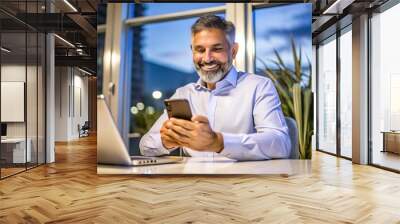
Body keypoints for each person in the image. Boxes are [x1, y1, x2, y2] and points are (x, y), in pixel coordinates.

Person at [139, 15, 291, 161]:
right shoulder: (183, 94)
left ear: (233, 51)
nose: (207, 58)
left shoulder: (259, 86)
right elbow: (145, 146)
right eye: (200, 50)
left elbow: (280, 144)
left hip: (243, 183)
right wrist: (167, 141)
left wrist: (218, 142)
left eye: (217, 49)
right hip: (191, 184)